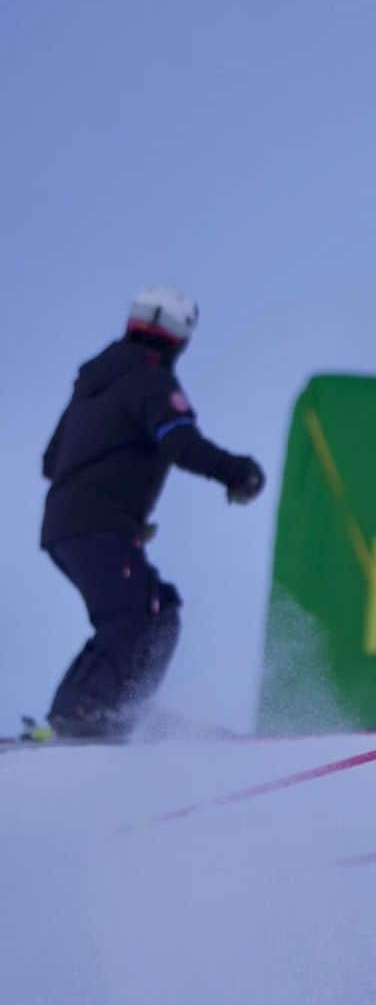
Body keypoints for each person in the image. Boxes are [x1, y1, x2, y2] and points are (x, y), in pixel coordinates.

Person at [36, 286, 265, 741]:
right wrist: (239, 473)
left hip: (69, 526)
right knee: (130, 616)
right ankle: (82, 714)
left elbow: (51, 461)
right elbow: (181, 443)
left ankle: (116, 709)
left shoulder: (93, 386)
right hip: (98, 526)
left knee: (157, 610)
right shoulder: (150, 381)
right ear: (179, 337)